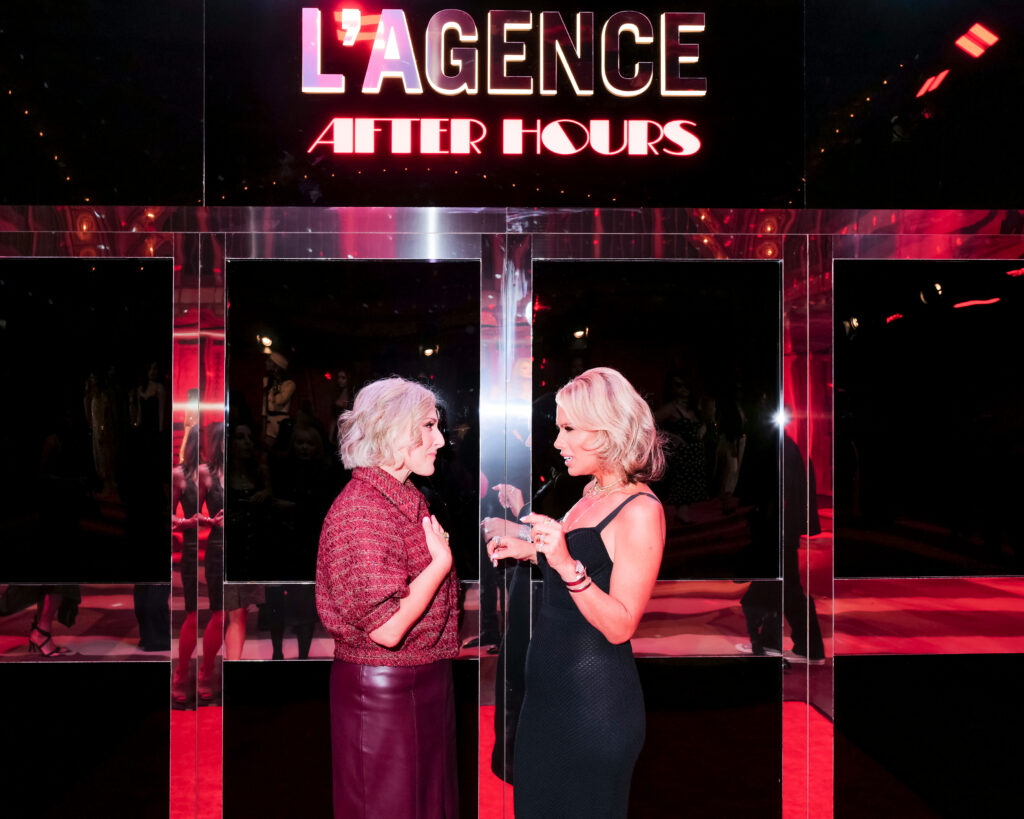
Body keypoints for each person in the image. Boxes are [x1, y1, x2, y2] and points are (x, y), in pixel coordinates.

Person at [487, 366, 666, 818]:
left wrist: (565, 564)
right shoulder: (591, 493)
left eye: (569, 429)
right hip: (547, 699)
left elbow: (620, 625)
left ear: (606, 431)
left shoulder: (640, 510)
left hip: (593, 707)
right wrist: (531, 551)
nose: (557, 442)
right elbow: (592, 562)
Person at [315, 377, 459, 819]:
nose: (440, 439)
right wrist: (440, 564)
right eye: (429, 426)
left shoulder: (402, 497)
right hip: (383, 692)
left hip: (420, 681)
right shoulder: (363, 509)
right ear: (393, 429)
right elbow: (387, 629)